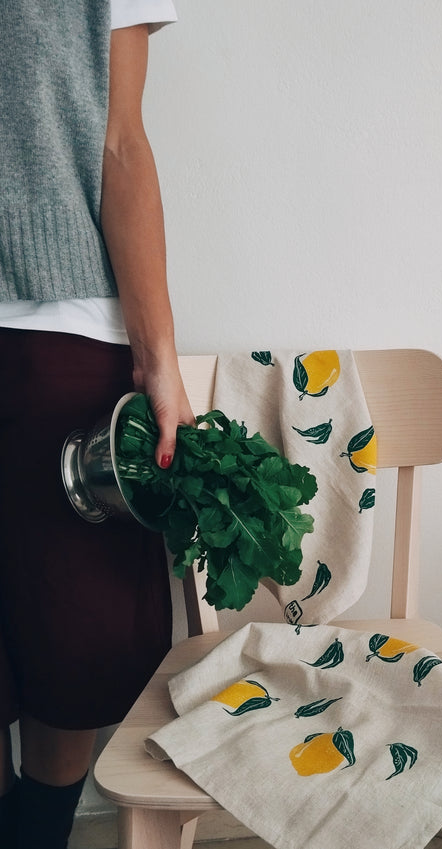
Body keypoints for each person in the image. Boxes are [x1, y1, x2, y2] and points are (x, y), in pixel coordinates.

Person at [0, 1, 195, 846]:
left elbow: (120, 141)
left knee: (71, 629)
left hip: (64, 322)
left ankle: (39, 830)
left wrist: (160, 360)